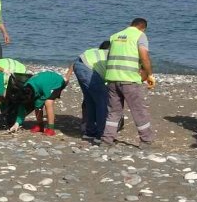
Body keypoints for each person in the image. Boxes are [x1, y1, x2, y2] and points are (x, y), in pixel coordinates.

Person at [101, 18, 155, 147]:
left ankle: (107, 140)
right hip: (129, 79)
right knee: (138, 110)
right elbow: (144, 55)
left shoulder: (115, 36)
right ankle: (146, 140)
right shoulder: (140, 35)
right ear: (143, 27)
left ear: (131, 25)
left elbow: (110, 57)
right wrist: (149, 73)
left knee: (114, 112)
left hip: (112, 77)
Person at [65, 41, 110, 142]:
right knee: (102, 101)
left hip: (79, 64)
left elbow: (76, 62)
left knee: (90, 101)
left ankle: (90, 132)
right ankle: (101, 133)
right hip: (87, 69)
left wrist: (67, 76)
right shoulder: (110, 55)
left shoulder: (96, 52)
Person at [7, 70, 69, 136]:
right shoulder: (25, 89)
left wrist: (38, 103)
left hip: (55, 82)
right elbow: (22, 106)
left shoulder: (43, 86)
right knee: (37, 105)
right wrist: (17, 123)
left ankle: (51, 129)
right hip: (42, 83)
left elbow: (46, 95)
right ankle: (40, 126)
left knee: (48, 102)